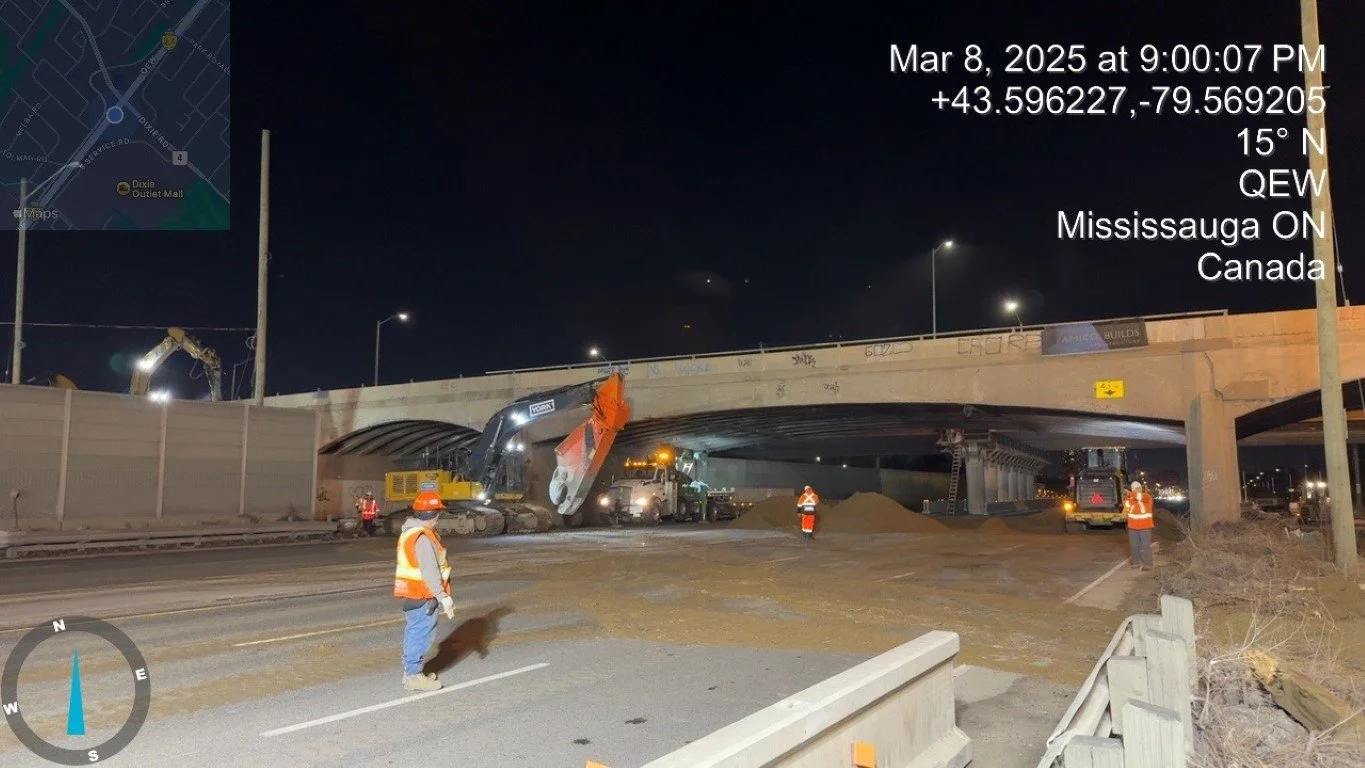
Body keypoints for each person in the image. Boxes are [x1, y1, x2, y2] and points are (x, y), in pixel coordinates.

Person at [394, 490, 455, 691]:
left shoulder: (411, 532)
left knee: (417, 633)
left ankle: (413, 673)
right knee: (419, 635)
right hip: (423, 595)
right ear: (434, 515)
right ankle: (413, 676)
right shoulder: (422, 537)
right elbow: (429, 571)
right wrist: (442, 596)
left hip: (415, 593)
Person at [1123, 480, 1155, 570]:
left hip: (1145, 526)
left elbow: (1139, 496)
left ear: (1140, 489)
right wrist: (1127, 498)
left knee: (1145, 545)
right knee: (1134, 545)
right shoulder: (1130, 499)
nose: (1135, 490)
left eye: (1136, 489)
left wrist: (1129, 493)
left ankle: (1148, 564)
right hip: (1133, 526)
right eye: (1134, 489)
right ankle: (1135, 563)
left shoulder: (1146, 497)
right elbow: (1126, 507)